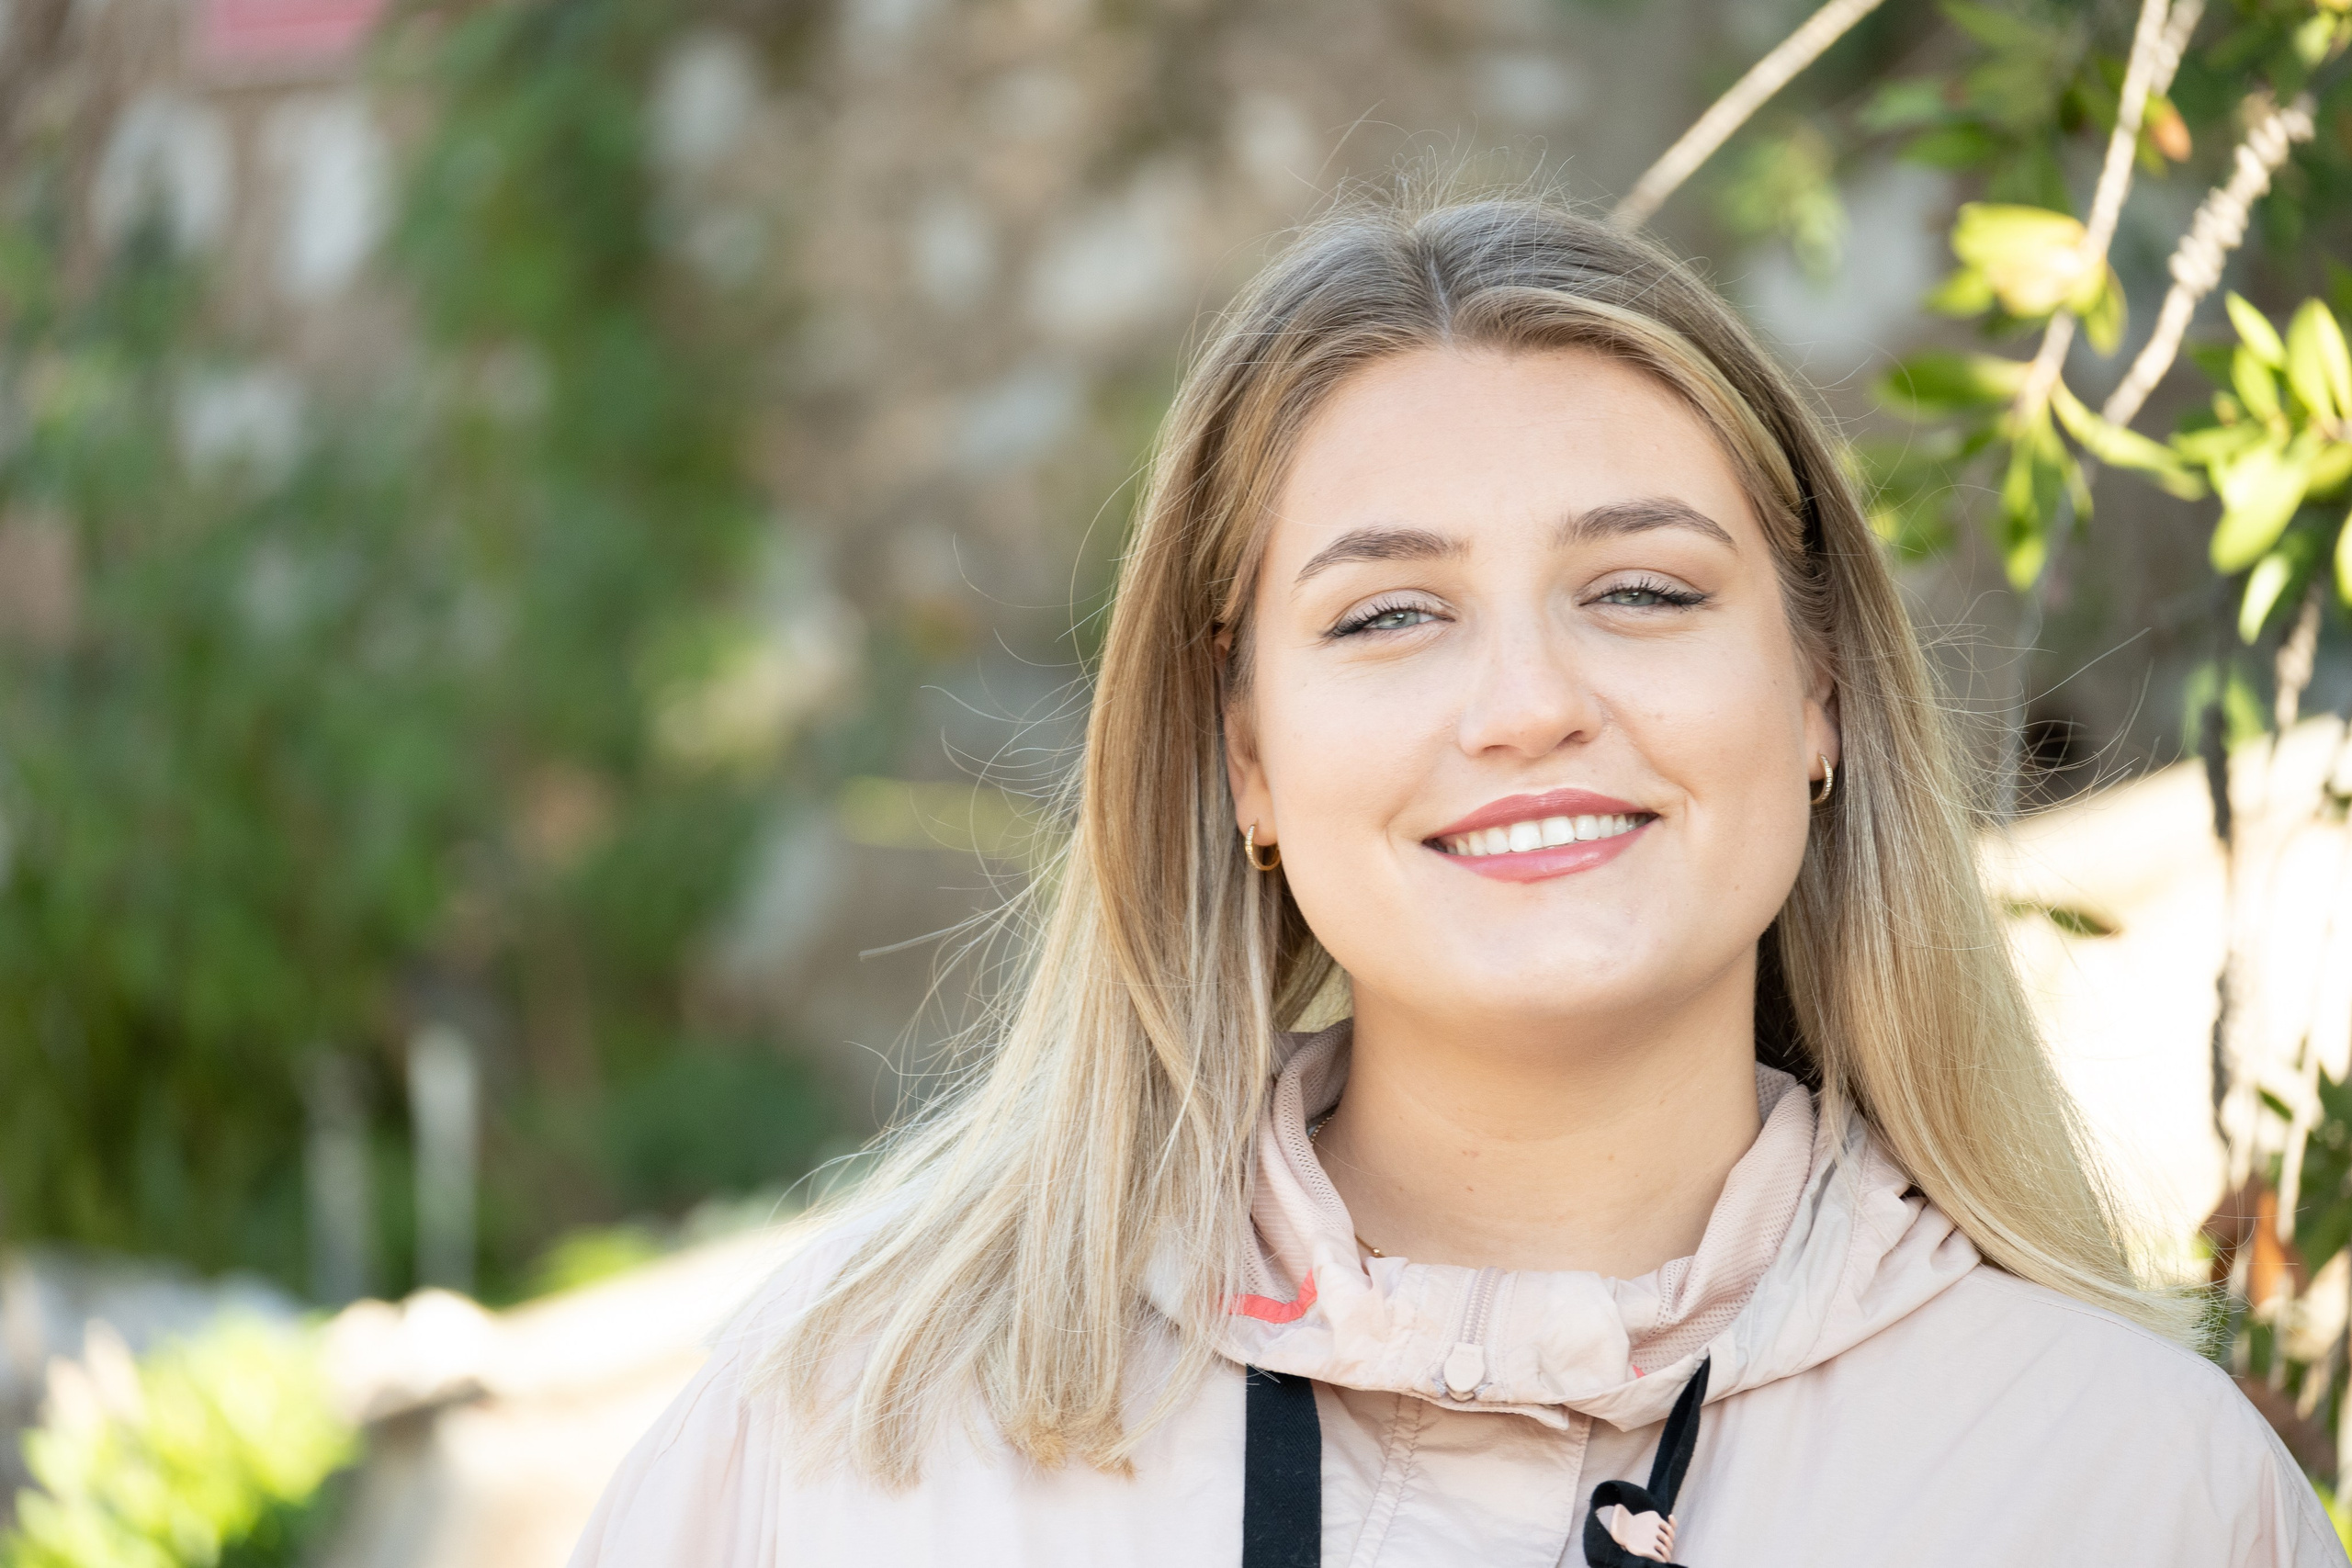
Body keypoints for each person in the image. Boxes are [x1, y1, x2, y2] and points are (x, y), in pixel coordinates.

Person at [569, 197, 2343, 1566]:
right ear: (1245, 754)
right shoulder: (858, 1439)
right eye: (1390, 615)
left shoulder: (2134, 1492)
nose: (1529, 706)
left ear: (1816, 693)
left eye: (1642, 589)